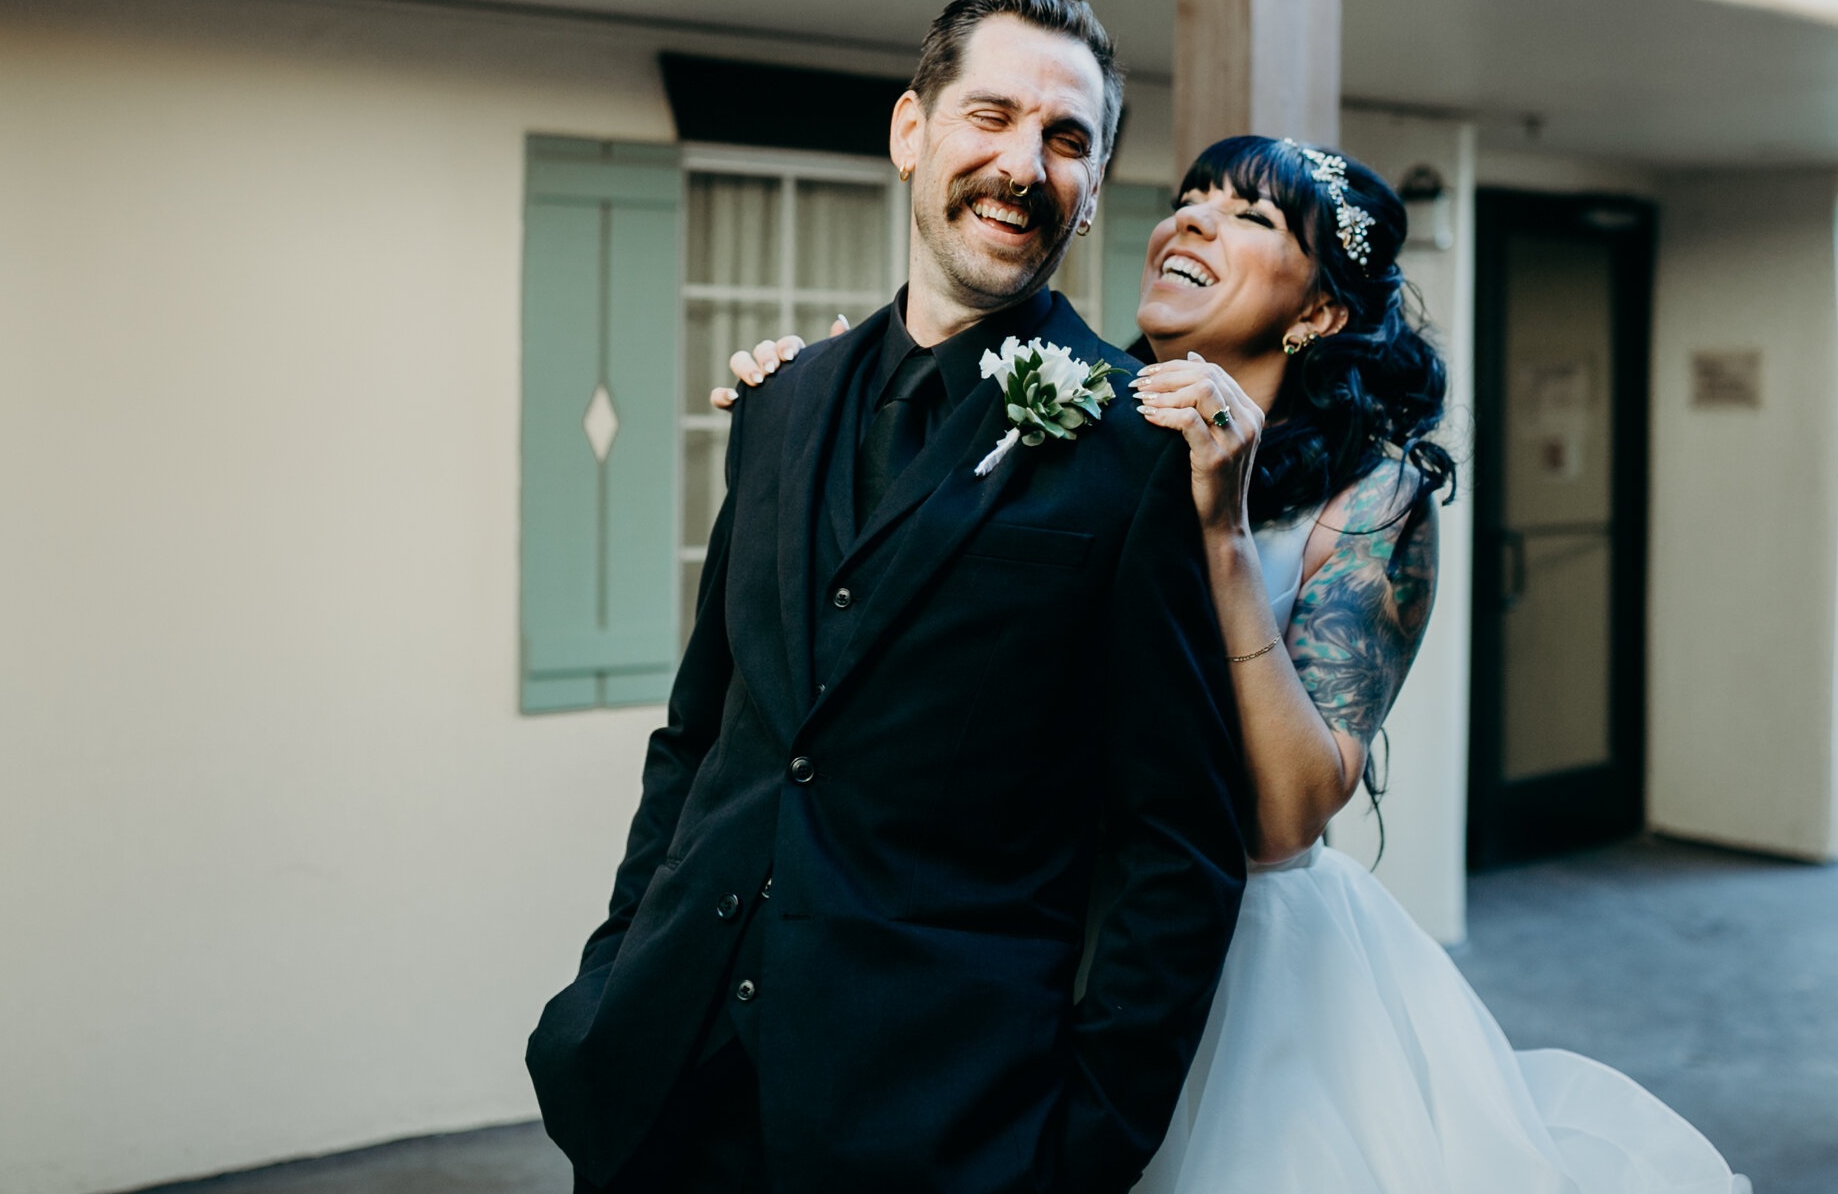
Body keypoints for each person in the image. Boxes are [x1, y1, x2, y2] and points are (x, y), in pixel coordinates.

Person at [723, 134, 1750, 1193]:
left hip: (1238, 968)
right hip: (1021, 923)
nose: (1194, 218)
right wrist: (839, 408)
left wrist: (1220, 532)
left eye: (1251, 216)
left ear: (1320, 313)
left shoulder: (1372, 500)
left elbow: (1287, 815)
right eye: (1193, 196)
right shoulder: (1071, 425)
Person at [527, 0, 1249, 1194]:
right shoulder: (779, 403)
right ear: (913, 131)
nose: (1022, 164)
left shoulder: (1137, 455)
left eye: (1067, 139)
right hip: (660, 1075)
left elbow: (1178, 844)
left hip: (935, 1116)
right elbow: (703, 734)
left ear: (1090, 193)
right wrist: (612, 972)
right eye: (992, 115)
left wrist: (1081, 1146)